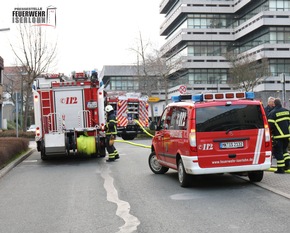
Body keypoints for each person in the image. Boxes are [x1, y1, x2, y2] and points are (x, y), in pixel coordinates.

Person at [268, 98, 290, 173]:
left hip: (278, 136)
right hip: (287, 135)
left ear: (274, 104)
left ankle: (281, 169)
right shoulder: (287, 111)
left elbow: (270, 126)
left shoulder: (272, 113)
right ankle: (287, 165)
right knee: (285, 151)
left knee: (278, 152)